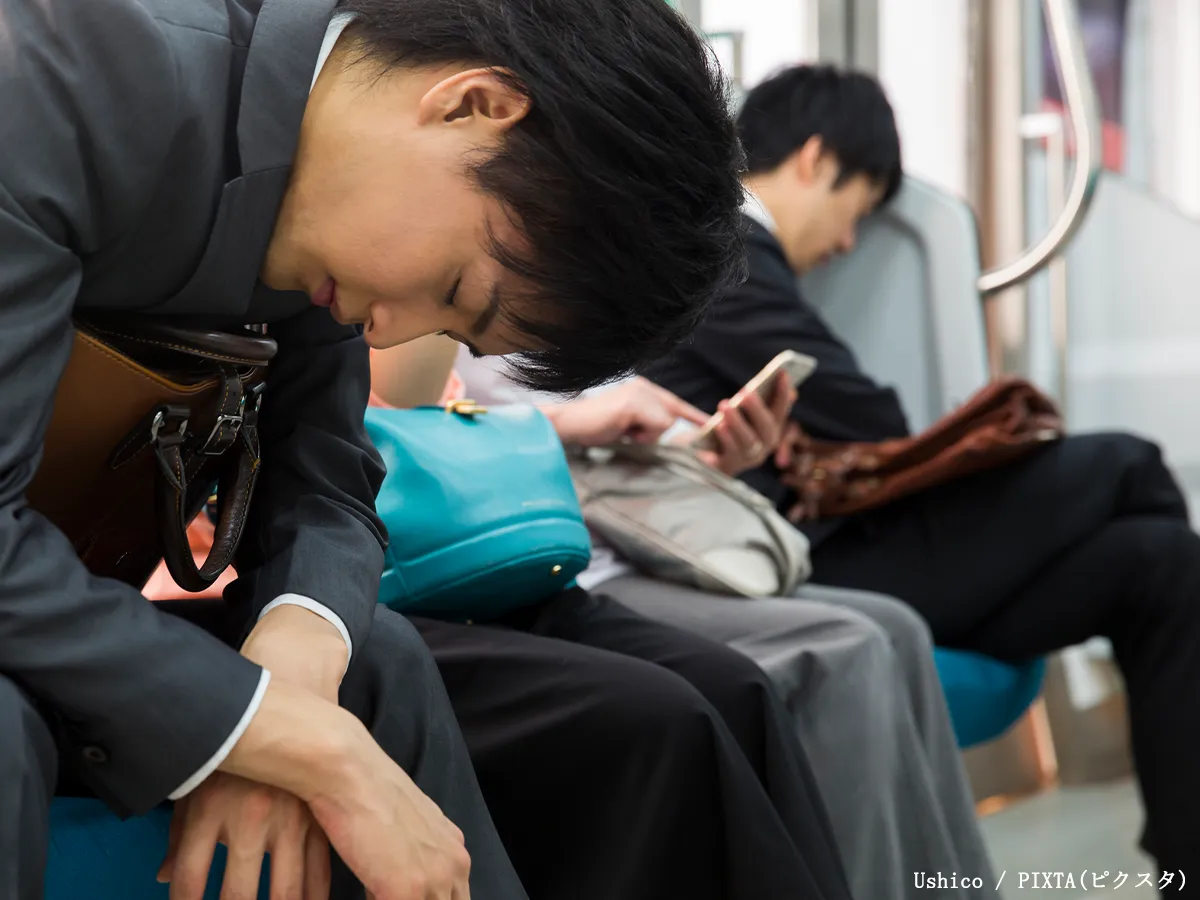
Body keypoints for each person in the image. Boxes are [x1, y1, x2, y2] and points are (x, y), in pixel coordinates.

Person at [0, 0, 746, 897]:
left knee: (375, 657)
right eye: (454, 287)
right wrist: (282, 737)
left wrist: (296, 665)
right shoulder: (61, 65)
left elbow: (331, 481)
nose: (390, 337)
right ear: (472, 104)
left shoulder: (326, 208)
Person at [648, 62, 1200, 878]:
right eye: (853, 213)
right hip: (815, 558)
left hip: (845, 542)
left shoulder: (732, 259)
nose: (844, 244)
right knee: (1129, 463)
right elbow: (869, 416)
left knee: (1164, 563)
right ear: (813, 159)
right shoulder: (722, 249)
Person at [374, 338, 997, 900]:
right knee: (839, 652)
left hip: (605, 533)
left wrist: (688, 451)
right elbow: (417, 424)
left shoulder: (573, 269)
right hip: (542, 548)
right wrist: (567, 425)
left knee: (890, 630)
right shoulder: (434, 298)